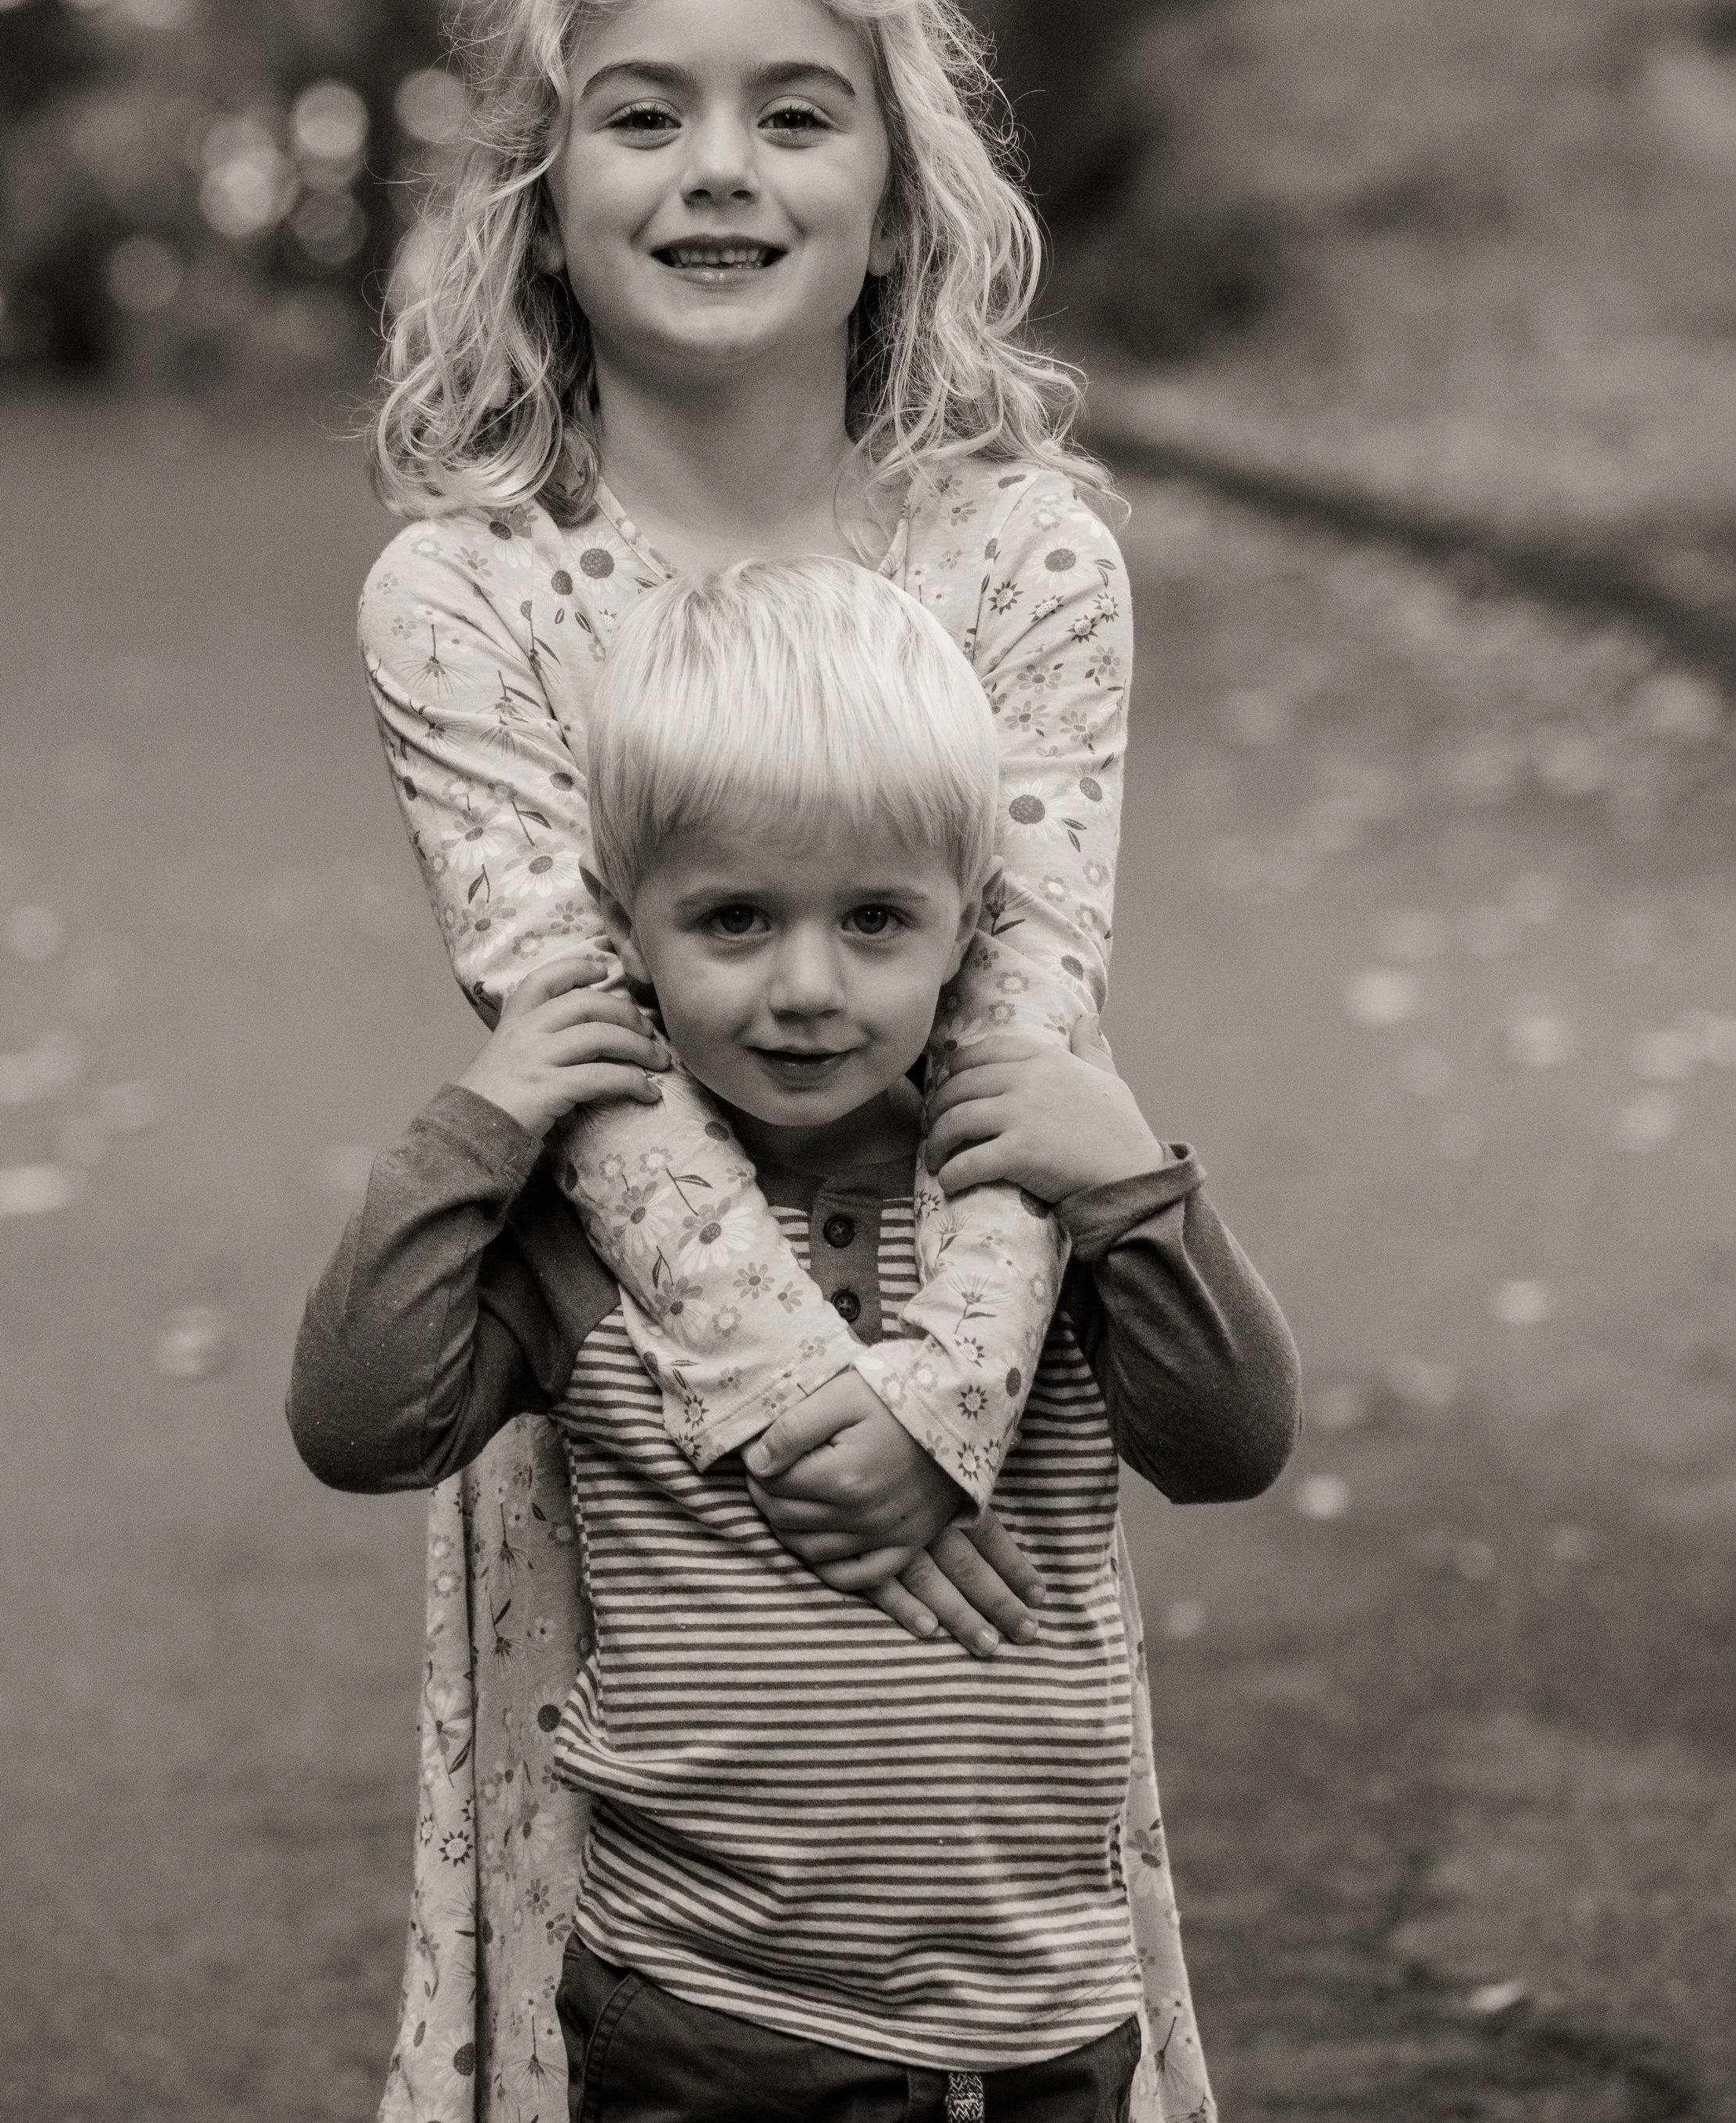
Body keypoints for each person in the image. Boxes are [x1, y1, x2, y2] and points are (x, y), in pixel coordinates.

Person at [346, 0, 1222, 2121]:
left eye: (791, 109)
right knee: (676, 1989)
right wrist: (793, 1418)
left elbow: (1033, 1004)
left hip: (979, 1388)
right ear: (543, 189)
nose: (715, 166)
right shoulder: (476, 592)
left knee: (982, 1963)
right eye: (642, 111)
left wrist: (939, 1407)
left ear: (893, 193)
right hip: (653, 1417)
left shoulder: (1022, 553)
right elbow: (588, 1051)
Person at [291, 561, 1301, 2120]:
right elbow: (360, 1424)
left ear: (968, 931)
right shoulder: (591, 1228)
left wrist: (1132, 1191)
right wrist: (476, 1130)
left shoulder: (1022, 1201)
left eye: (875, 919)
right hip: (701, 2017)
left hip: (1037, 2019)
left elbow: (1228, 1449)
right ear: (626, 930)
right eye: (734, 918)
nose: (806, 988)